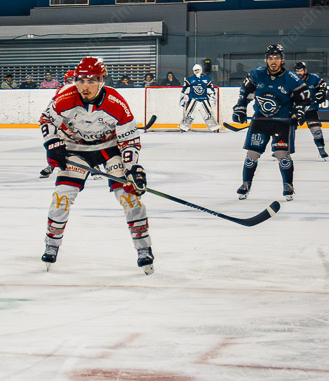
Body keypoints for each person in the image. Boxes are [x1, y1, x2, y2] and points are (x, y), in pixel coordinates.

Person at [39, 56, 154, 274]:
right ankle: (51, 245)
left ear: (102, 81)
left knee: (130, 197)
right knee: (61, 197)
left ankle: (143, 249)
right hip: (76, 150)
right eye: (80, 80)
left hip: (109, 149)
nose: (85, 86)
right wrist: (52, 142)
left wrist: (132, 168)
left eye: (91, 81)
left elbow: (129, 141)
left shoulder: (116, 103)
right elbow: (46, 119)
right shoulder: (64, 97)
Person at [232, 45, 309, 200]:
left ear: (282, 60)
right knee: (252, 154)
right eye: (271, 58)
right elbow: (244, 93)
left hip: (282, 122)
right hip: (261, 120)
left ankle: (288, 185)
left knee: (282, 154)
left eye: (277, 58)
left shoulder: (292, 78)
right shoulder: (256, 74)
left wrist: (299, 112)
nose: (274, 61)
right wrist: (240, 108)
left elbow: (304, 99)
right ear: (266, 59)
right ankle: (246, 183)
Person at [293, 61, 329, 158]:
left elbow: (323, 85)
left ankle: (321, 149)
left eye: (301, 70)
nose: (299, 73)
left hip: (310, 109)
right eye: (297, 71)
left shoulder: (313, 78)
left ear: (305, 70)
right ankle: (283, 150)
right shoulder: (291, 79)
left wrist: (322, 92)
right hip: (295, 110)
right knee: (288, 130)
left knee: (316, 130)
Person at [178, 63, 220, 132]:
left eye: (198, 70)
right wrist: (183, 98)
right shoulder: (190, 79)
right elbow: (185, 90)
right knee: (189, 115)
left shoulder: (206, 79)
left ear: (201, 70)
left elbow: (210, 89)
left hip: (204, 99)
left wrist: (212, 98)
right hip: (193, 99)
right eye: (195, 70)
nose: (197, 71)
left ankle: (214, 128)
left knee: (208, 114)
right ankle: (183, 127)